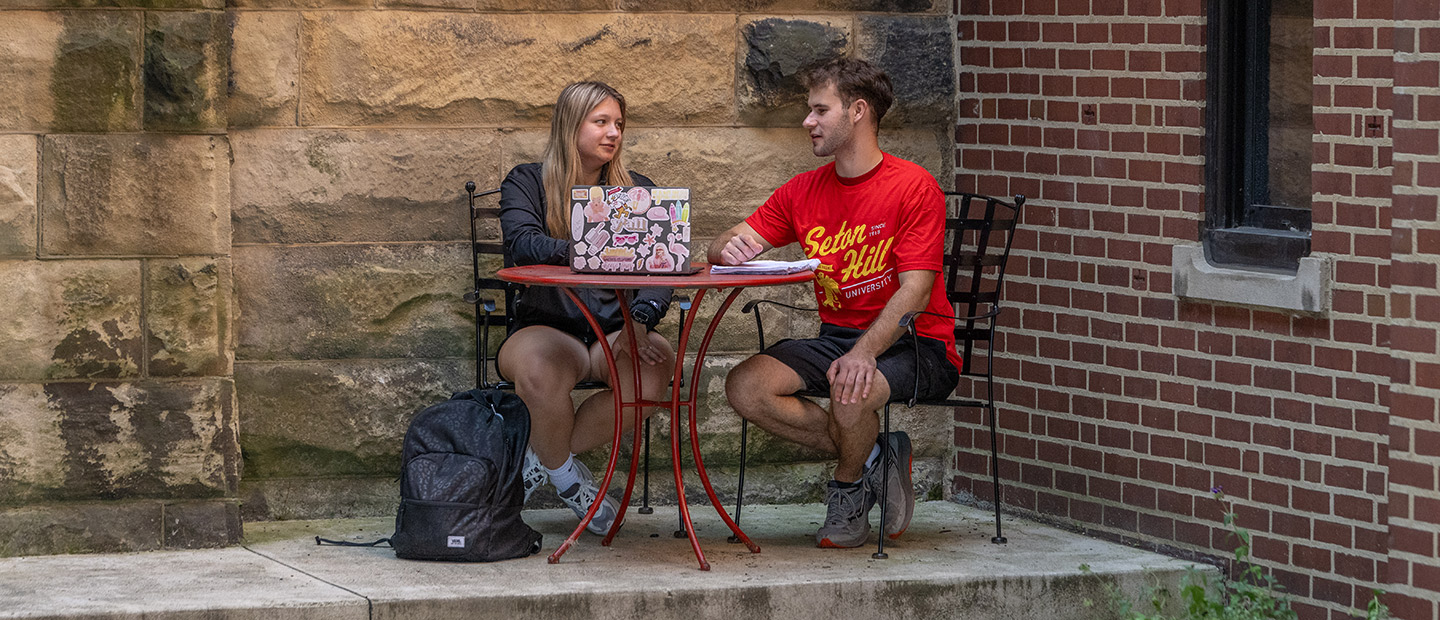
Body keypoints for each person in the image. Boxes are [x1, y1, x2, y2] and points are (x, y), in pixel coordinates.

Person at [707, 59, 963, 548]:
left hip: (918, 343)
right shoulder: (803, 191)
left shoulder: (913, 186)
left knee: (851, 387)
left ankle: (847, 492)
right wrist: (726, 247)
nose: (808, 121)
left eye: (820, 110)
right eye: (810, 110)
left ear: (858, 112)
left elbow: (915, 291)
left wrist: (864, 354)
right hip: (838, 340)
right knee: (745, 387)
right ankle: (874, 456)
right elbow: (728, 243)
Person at [498, 81, 676, 535]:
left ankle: (547, 457)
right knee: (539, 371)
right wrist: (595, 245)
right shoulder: (528, 180)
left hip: (615, 330)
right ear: (570, 125)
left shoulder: (639, 192)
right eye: (601, 122)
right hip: (545, 327)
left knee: (657, 368)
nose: (613, 132)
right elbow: (522, 244)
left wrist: (641, 320)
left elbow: (662, 270)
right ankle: (572, 483)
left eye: (618, 123)